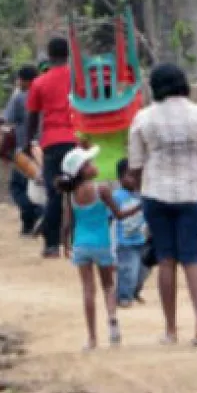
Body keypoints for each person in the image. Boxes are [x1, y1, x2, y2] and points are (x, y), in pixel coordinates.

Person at [127, 62, 197, 347]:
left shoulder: (144, 118)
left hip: (156, 194)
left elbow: (135, 165)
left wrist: (140, 192)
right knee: (193, 259)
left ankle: (170, 329)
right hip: (193, 194)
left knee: (166, 259)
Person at [58, 147, 137, 350]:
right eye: (89, 163)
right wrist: (140, 206)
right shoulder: (101, 189)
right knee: (108, 286)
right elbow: (119, 215)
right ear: (82, 170)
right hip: (102, 243)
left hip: (81, 245)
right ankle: (112, 322)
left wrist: (65, 245)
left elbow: (67, 223)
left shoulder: (71, 195)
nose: (94, 166)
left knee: (87, 290)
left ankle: (92, 338)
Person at [27, 37, 78, 258]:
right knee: (78, 192)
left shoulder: (40, 82)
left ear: (49, 55)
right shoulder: (79, 79)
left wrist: (29, 141)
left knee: (54, 193)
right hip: (77, 139)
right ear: (68, 53)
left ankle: (51, 245)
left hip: (52, 142)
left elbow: (32, 115)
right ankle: (77, 241)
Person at [3, 65, 43, 236]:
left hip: (25, 149)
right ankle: (43, 216)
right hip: (46, 147)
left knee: (18, 186)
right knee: (42, 185)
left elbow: (7, 119)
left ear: (24, 80)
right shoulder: (47, 93)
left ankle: (29, 222)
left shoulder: (19, 97)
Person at [112, 159, 148, 307]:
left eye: (136, 175)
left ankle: (134, 291)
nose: (134, 179)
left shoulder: (142, 194)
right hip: (126, 242)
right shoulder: (117, 196)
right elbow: (112, 217)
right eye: (129, 175)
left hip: (142, 239)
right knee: (128, 270)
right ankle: (123, 296)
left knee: (143, 271)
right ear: (120, 178)